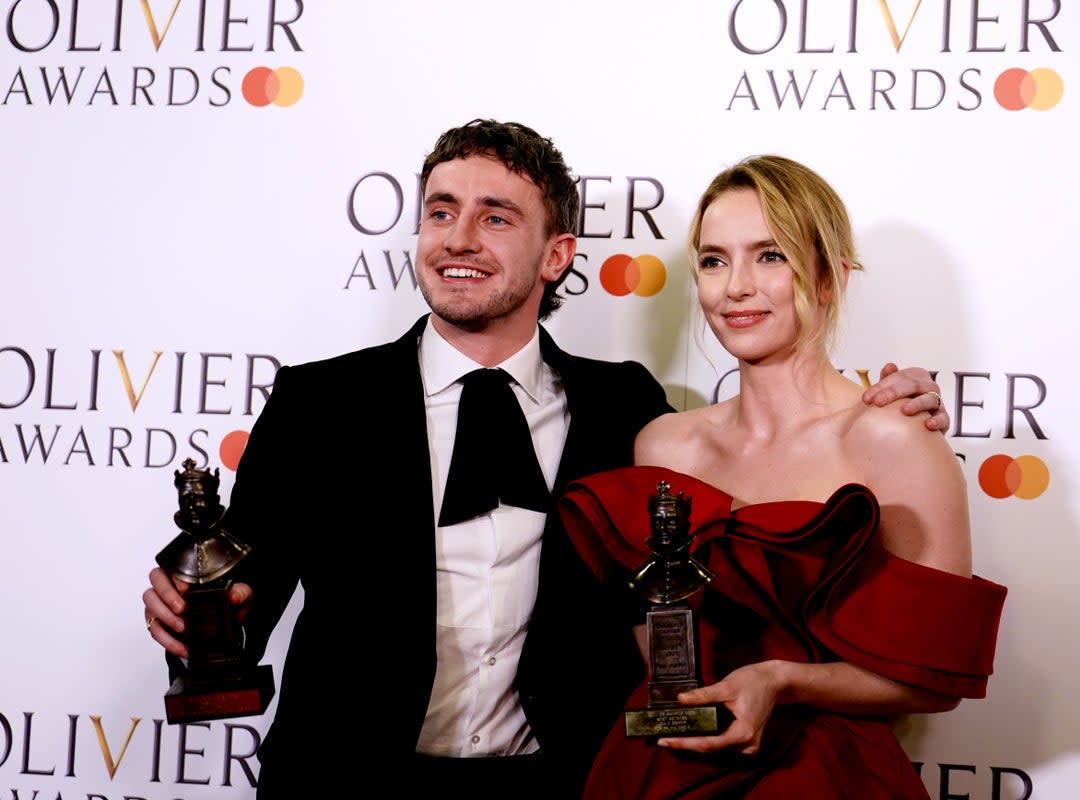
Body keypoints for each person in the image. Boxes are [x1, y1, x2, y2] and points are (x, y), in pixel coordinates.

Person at [141, 121, 951, 798]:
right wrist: (196, 616)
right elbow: (240, 603)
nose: (458, 239)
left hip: (565, 785)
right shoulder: (319, 404)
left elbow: (780, 462)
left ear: (557, 253)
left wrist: (889, 400)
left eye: (496, 217)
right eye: (440, 212)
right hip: (344, 784)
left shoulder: (628, 411)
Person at [557, 155, 1007, 798]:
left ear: (831, 278)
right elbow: (657, 637)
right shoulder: (665, 445)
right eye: (714, 261)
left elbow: (935, 678)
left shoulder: (891, 435)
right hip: (668, 771)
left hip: (829, 777)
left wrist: (783, 681)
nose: (735, 286)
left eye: (770, 255)